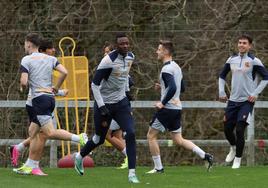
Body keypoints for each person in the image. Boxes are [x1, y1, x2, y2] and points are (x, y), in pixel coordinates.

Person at [13, 33, 88, 175]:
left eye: (24, 44)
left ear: (29, 44)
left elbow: (23, 81)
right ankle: (30, 165)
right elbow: (64, 72)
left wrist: (25, 85)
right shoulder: (51, 59)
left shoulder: (27, 59)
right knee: (33, 132)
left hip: (39, 99)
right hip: (49, 98)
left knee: (49, 132)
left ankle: (79, 138)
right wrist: (56, 88)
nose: (24, 46)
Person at [74, 33, 140, 183]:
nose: (125, 46)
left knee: (130, 133)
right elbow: (94, 85)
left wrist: (127, 92)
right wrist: (102, 106)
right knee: (99, 138)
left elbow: (124, 76)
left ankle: (132, 173)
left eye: (127, 43)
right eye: (122, 44)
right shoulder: (107, 61)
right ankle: (79, 157)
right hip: (104, 104)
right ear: (116, 46)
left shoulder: (131, 57)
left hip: (121, 103)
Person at [146, 40, 213, 174]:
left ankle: (159, 168)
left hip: (167, 109)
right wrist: (162, 87)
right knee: (178, 139)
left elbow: (174, 88)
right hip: (176, 109)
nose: (156, 52)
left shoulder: (166, 69)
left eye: (159, 49)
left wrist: (162, 103)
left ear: (165, 52)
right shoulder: (176, 67)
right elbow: (181, 88)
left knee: (151, 136)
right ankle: (205, 155)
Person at [9, 39, 68, 175]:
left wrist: (57, 92)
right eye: (50, 48)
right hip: (36, 102)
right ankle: (32, 164)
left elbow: (44, 88)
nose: (53, 50)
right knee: (44, 133)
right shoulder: (39, 61)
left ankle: (23, 153)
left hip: (39, 100)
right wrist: (58, 91)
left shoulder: (45, 62)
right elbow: (40, 89)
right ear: (42, 50)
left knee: (37, 133)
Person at [219, 34, 268, 169]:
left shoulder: (254, 61)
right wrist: (222, 92)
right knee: (228, 129)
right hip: (232, 101)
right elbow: (222, 76)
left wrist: (255, 93)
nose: (241, 45)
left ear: (249, 46)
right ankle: (233, 148)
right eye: (240, 42)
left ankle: (238, 161)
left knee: (240, 129)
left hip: (246, 102)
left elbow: (266, 78)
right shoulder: (231, 59)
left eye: (244, 43)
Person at [102, 41, 128, 169]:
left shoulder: (118, 68)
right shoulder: (110, 67)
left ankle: (130, 155)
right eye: (104, 52)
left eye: (107, 52)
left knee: (106, 134)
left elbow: (127, 87)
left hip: (118, 106)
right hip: (116, 105)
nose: (105, 54)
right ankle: (128, 159)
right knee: (117, 136)